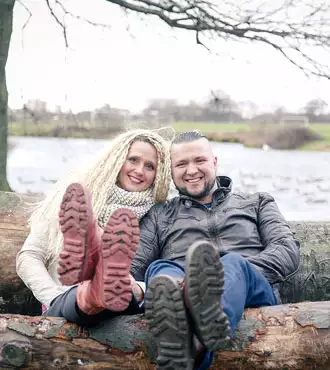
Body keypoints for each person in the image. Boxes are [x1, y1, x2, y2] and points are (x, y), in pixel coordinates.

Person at [130, 130, 300, 370]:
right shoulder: (159, 215)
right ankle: (192, 345)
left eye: (199, 160)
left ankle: (196, 334)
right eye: (181, 164)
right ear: (171, 171)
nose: (191, 171)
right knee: (162, 270)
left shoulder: (257, 202)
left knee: (232, 263)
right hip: (181, 290)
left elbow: (286, 250)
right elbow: (134, 268)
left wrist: (222, 276)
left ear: (214, 162)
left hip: (253, 291)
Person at [16, 128, 172, 326]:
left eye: (150, 166)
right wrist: (53, 296)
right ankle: (93, 286)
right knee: (88, 293)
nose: (139, 171)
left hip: (123, 310)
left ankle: (101, 281)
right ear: (117, 158)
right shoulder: (73, 195)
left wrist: (139, 289)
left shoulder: (158, 215)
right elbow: (28, 256)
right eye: (133, 160)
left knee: (117, 288)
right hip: (62, 304)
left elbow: (166, 272)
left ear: (158, 174)